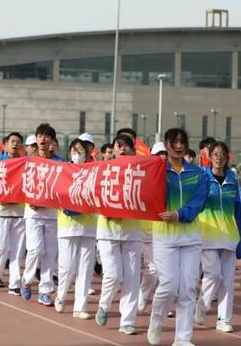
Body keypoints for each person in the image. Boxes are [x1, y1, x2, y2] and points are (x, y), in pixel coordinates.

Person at [147, 128, 208, 346]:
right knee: (168, 285)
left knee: (188, 288)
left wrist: (180, 214)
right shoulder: (158, 171)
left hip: (190, 236)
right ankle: (156, 321)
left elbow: (200, 201)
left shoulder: (197, 172)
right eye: (175, 142)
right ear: (166, 144)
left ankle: (182, 337)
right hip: (164, 236)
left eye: (183, 142)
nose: (179, 146)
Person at [94, 134, 144, 335]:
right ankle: (104, 305)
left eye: (127, 146)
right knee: (114, 275)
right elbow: (95, 195)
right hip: (107, 230)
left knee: (132, 278)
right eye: (119, 146)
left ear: (133, 151)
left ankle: (128, 320)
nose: (123, 149)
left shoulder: (141, 172)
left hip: (132, 231)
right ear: (113, 150)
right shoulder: (102, 171)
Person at [194, 141, 241, 333]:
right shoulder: (202, 177)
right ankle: (203, 304)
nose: (219, 157)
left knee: (227, 280)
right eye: (215, 153)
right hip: (207, 236)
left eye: (222, 153)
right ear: (209, 156)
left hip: (229, 237)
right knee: (213, 274)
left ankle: (224, 319)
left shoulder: (233, 180)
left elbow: (238, 210)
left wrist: (240, 240)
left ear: (227, 157)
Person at [54, 138, 97, 319]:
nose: (77, 153)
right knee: (68, 267)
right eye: (74, 150)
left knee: (86, 268)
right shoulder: (63, 171)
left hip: (88, 226)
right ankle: (61, 295)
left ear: (87, 153)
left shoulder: (94, 171)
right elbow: (57, 193)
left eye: (81, 150)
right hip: (67, 226)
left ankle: (80, 307)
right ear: (70, 152)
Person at [21, 123, 62, 306]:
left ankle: (45, 291)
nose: (43, 139)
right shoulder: (29, 161)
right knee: (36, 250)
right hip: (33, 213)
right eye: (40, 136)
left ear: (52, 140)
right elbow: (21, 184)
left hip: (52, 214)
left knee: (50, 254)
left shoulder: (59, 163)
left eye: (46, 136)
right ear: (36, 139)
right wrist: (30, 199)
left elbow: (63, 188)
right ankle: (27, 280)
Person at [0, 132, 27, 295]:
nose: (15, 144)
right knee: (1, 248)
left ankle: (14, 283)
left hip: (19, 212)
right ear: (4, 145)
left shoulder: (25, 164)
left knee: (18, 251)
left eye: (18, 142)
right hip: (1, 212)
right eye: (12, 141)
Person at [138, 142, 167, 311]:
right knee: (153, 270)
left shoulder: (170, 177)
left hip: (163, 234)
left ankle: (152, 299)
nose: (162, 157)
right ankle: (143, 296)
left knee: (160, 272)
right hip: (145, 234)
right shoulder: (144, 177)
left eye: (164, 154)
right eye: (158, 155)